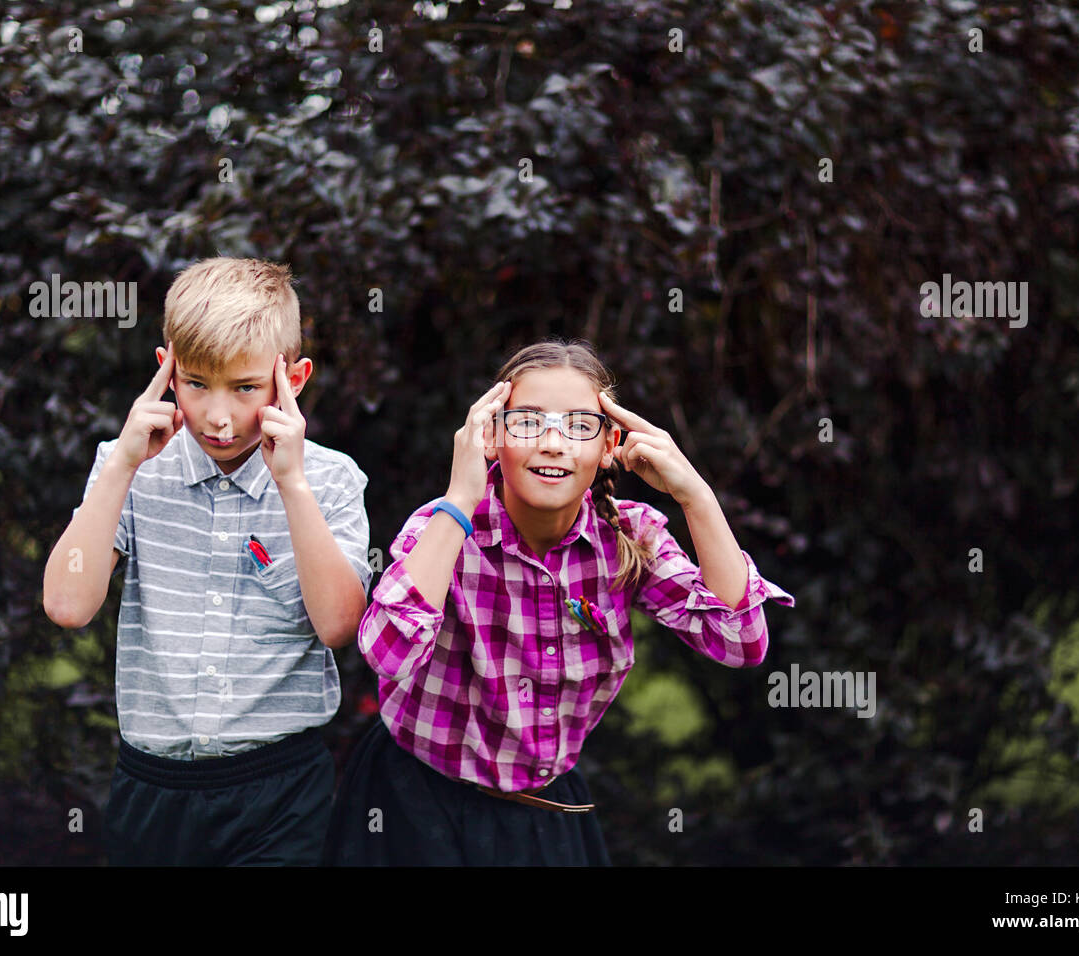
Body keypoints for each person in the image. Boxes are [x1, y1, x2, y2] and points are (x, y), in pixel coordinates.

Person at [323, 338, 794, 865]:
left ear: (610, 443)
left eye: (578, 425)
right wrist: (459, 498)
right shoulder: (446, 528)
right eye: (527, 421)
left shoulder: (627, 537)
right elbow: (385, 652)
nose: (553, 442)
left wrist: (695, 495)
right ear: (492, 436)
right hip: (415, 806)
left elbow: (741, 643)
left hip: (545, 810)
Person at [42, 257, 371, 865]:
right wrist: (120, 466)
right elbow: (66, 604)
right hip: (153, 788)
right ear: (166, 370)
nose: (219, 417)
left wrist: (292, 485)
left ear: (292, 378)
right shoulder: (130, 469)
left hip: (280, 791)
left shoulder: (328, 480)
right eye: (196, 384)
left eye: (246, 388)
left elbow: (340, 627)